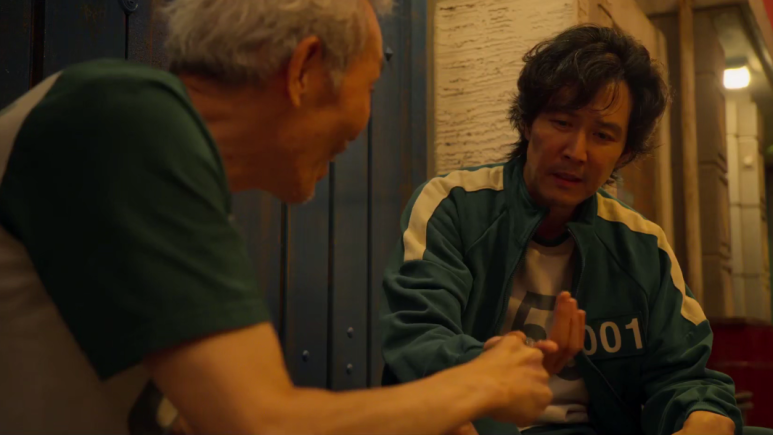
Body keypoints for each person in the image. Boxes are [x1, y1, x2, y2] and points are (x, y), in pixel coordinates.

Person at [0, 1, 556, 434]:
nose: (363, 120)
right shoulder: (124, 116)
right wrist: (481, 384)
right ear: (303, 70)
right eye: (368, 87)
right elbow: (262, 421)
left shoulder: (147, 152)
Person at [380, 25, 744, 435]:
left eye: (602, 135)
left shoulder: (642, 245)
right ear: (527, 122)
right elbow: (419, 337)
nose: (577, 152)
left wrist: (705, 419)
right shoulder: (454, 206)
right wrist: (487, 371)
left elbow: (687, 377)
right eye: (561, 122)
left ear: (624, 153)